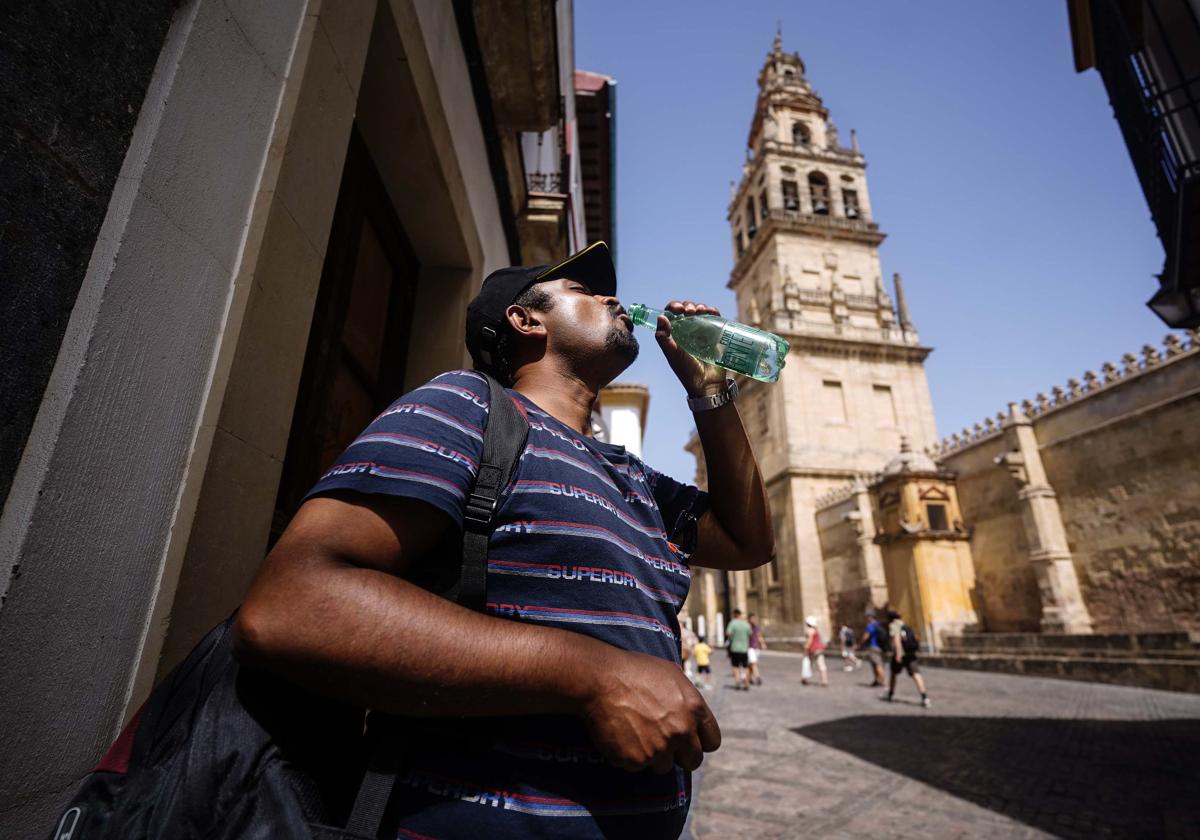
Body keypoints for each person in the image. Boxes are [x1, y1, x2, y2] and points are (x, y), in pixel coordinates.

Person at [233, 242, 776, 838]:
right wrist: (596, 675)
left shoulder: (636, 478)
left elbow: (747, 542)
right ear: (525, 319)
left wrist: (711, 393)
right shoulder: (466, 408)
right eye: (582, 291)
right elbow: (292, 604)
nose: (612, 298)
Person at [883, 609, 931, 708]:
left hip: (901, 654)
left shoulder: (894, 625)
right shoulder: (905, 625)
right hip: (911, 653)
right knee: (916, 674)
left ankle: (890, 694)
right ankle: (924, 697)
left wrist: (898, 654)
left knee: (893, 673)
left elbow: (896, 640)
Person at [725, 609, 753, 690]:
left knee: (735, 666)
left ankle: (737, 681)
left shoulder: (732, 623)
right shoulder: (746, 624)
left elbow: (728, 633)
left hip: (734, 648)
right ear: (740, 614)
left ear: (734, 614)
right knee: (745, 666)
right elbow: (750, 634)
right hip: (744, 648)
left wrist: (733, 636)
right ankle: (746, 682)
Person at [859, 608, 886, 687]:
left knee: (877, 665)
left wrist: (860, 644)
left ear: (870, 617)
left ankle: (883, 681)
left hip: (873, 647)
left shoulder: (870, 625)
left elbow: (866, 636)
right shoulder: (878, 624)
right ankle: (877, 680)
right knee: (875, 664)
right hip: (879, 647)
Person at [801, 616, 829, 687]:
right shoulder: (816, 630)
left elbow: (809, 641)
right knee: (821, 665)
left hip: (813, 650)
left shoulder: (810, 631)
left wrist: (806, 649)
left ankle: (804, 679)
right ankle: (824, 680)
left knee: (808, 664)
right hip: (819, 649)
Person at [748, 613, 767, 686]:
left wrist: (763, 644)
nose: (754, 620)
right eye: (752, 618)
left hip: (756, 648)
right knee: (754, 663)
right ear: (749, 619)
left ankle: (748, 678)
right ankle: (758, 677)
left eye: (754, 618)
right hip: (749, 648)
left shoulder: (756, 627)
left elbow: (759, 636)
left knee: (751, 665)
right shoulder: (747, 627)